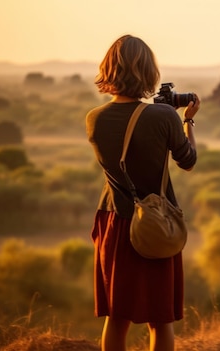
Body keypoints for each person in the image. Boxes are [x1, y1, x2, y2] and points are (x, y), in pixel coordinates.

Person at [85, 34, 199, 351]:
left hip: (112, 221)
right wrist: (188, 122)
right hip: (154, 222)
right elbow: (188, 162)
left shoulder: (93, 118)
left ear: (108, 70)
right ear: (149, 73)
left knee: (116, 317)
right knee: (160, 320)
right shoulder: (163, 116)